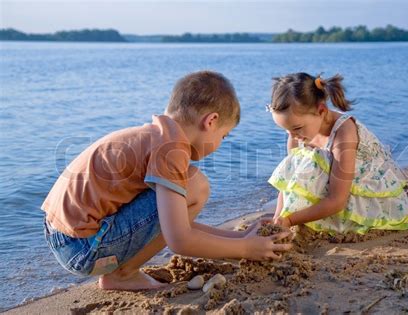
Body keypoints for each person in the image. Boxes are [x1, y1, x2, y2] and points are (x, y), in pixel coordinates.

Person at [42, 70, 292, 291]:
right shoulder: (172, 149)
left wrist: (237, 238)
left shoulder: (156, 136)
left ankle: (121, 272)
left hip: (67, 238)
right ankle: (122, 275)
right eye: (223, 136)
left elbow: (170, 222)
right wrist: (246, 250)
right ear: (211, 121)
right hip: (84, 248)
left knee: (185, 190)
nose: (219, 145)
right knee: (196, 186)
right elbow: (179, 239)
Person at [267, 72, 408, 234]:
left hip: (362, 197)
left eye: (296, 128)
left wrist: (291, 220)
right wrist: (279, 217)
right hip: (334, 190)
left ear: (321, 111)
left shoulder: (344, 133)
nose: (292, 136)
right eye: (286, 130)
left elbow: (337, 200)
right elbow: (288, 181)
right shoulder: (296, 134)